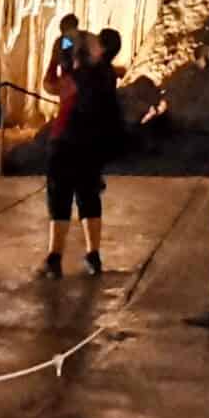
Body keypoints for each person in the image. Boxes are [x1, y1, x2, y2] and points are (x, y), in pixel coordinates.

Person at [41, 30, 127, 279]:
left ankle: (55, 257)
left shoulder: (78, 78)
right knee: (89, 198)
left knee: (60, 199)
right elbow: (72, 42)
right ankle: (93, 255)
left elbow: (51, 86)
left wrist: (56, 58)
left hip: (66, 143)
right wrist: (69, 42)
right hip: (92, 145)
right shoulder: (108, 75)